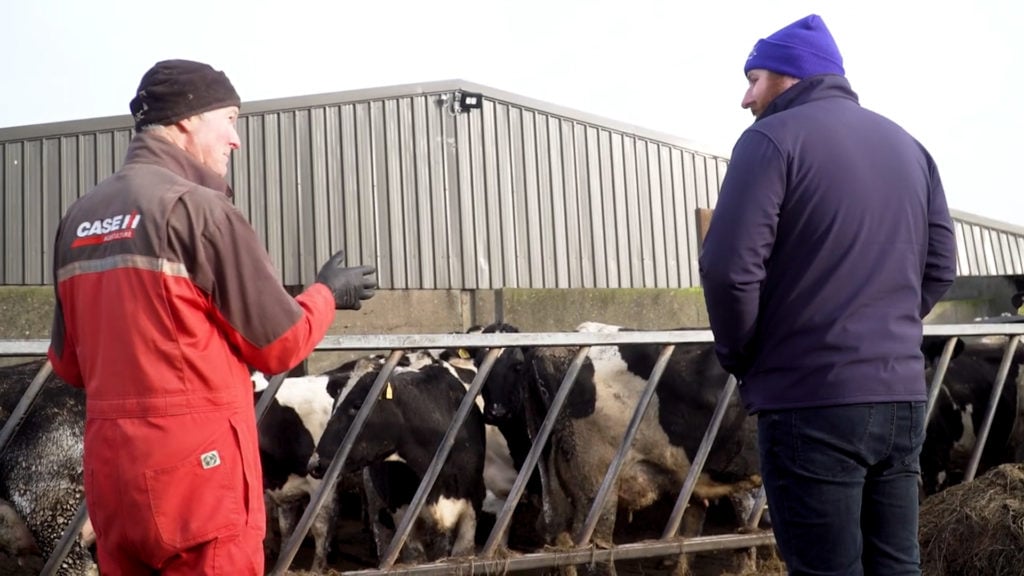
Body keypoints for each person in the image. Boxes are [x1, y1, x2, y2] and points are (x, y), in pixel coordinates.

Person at [47, 59, 376, 575]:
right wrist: (328, 293)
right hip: (195, 482)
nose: (236, 140)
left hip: (114, 478)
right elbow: (281, 344)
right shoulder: (199, 210)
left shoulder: (79, 218)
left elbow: (69, 365)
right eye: (230, 120)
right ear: (186, 120)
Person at [698, 14, 957, 576]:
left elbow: (728, 270)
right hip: (901, 398)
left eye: (754, 79)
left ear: (790, 75)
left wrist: (745, 356)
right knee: (897, 566)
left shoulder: (770, 141)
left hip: (810, 398)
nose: (746, 98)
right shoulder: (910, 148)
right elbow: (940, 267)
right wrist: (883, 329)